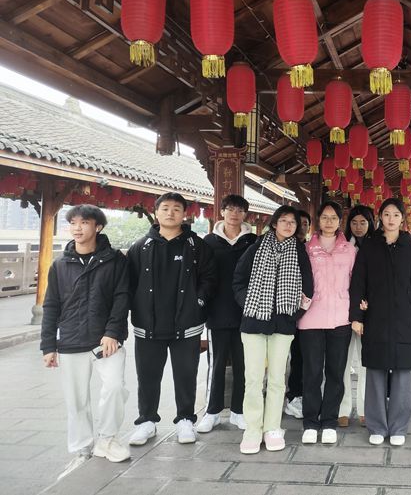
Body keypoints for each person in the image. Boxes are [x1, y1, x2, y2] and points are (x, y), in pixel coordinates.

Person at [41, 205, 130, 476]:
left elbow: (122, 297)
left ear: (98, 227)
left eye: (84, 222)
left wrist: (112, 332)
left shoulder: (116, 260)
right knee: (76, 400)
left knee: (114, 387)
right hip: (71, 339)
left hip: (106, 341)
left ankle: (107, 439)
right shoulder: (60, 265)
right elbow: (51, 305)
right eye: (73, 223)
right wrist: (48, 345)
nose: (77, 228)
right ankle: (82, 448)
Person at [127, 193, 217, 447]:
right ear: (156, 212)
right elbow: (128, 284)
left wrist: (198, 303)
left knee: (186, 374)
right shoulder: (140, 246)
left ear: (184, 214)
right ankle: (146, 421)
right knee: (147, 376)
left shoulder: (196, 245)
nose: (170, 213)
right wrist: (135, 310)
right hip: (148, 324)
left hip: (186, 324)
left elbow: (209, 278)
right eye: (165, 208)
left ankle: (185, 419)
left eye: (176, 209)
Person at [233, 205, 313, 454]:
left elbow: (309, 287)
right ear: (274, 223)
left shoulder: (299, 252)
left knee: (278, 378)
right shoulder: (256, 247)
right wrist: (250, 303)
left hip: (283, 322)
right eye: (284, 220)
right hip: (254, 321)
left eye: (293, 222)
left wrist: (294, 314)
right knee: (254, 378)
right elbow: (238, 280)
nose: (288, 225)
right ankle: (252, 429)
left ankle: (272, 428)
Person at [349, 198, 411, 446]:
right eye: (386, 214)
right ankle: (376, 425)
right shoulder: (370, 246)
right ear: (380, 217)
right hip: (375, 317)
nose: (391, 219)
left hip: (405, 318)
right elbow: (358, 282)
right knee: (375, 370)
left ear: (402, 218)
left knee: (402, 372)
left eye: (396, 214)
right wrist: (357, 316)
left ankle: (398, 427)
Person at [197, 194, 257, 434]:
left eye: (240, 210)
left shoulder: (253, 241)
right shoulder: (208, 242)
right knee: (217, 364)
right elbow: (202, 276)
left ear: (245, 215)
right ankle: (211, 412)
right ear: (221, 212)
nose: (234, 214)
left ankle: (238, 411)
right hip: (218, 312)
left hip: (247, 312)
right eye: (230, 209)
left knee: (244, 365)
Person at [299, 201, 356, 445]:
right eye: (325, 217)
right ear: (318, 220)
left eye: (334, 217)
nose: (329, 221)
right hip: (310, 318)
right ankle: (311, 422)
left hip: (340, 318)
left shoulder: (349, 250)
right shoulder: (306, 248)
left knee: (336, 372)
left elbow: (356, 282)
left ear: (340, 221)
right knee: (312, 373)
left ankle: (329, 420)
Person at [338, 205, 375, 427]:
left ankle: (364, 408)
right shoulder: (342, 245)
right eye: (354, 222)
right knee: (342, 360)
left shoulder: (377, 246)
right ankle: (342, 408)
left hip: (368, 311)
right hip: (342, 310)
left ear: (370, 223)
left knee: (366, 361)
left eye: (363, 222)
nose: (358, 227)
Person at [284, 208, 313, 419]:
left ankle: (296, 394)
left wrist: (301, 310)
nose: (301, 227)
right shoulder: (284, 246)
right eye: (298, 223)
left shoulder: (310, 248)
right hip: (280, 312)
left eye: (305, 224)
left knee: (300, 356)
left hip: (302, 313)